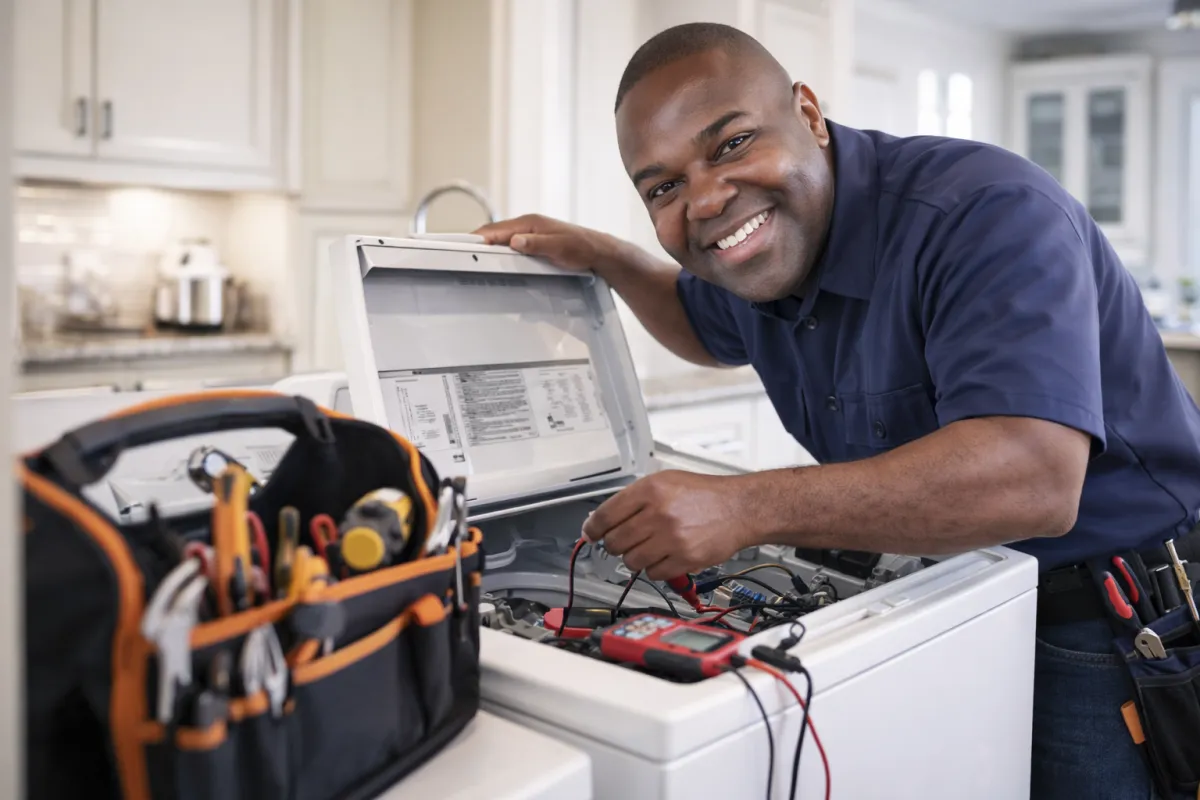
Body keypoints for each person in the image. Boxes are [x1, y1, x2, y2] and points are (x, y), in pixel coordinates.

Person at [475, 22, 1200, 799]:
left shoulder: (986, 213)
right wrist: (603, 255)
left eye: (730, 144)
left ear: (810, 115)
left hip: (1102, 623)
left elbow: (1031, 480)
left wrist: (748, 507)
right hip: (948, 595)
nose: (708, 199)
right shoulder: (759, 258)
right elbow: (700, 323)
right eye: (664, 188)